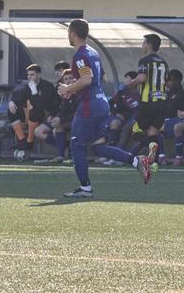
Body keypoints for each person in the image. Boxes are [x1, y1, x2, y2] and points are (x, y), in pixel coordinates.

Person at [58, 19, 157, 198]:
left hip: (89, 106)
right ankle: (137, 161)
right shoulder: (94, 52)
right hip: (101, 102)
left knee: (76, 144)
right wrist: (75, 89)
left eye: (68, 34)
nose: (68, 37)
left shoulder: (80, 55)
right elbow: (99, 79)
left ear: (72, 33)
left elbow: (87, 80)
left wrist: (67, 89)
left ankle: (85, 188)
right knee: (98, 146)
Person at [130, 34, 171, 162]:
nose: (142, 45)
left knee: (136, 131)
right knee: (152, 132)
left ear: (149, 44)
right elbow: (167, 82)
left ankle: (151, 148)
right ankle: (154, 162)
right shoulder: (164, 62)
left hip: (147, 102)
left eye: (144, 42)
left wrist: (131, 83)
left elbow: (142, 78)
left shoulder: (144, 61)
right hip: (162, 102)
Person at [9, 64, 58, 160]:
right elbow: (19, 96)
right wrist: (11, 102)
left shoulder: (47, 86)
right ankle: (22, 141)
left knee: (36, 111)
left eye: (32, 75)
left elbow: (41, 105)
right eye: (28, 75)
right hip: (29, 117)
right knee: (12, 110)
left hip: (45, 116)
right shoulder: (29, 86)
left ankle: (29, 141)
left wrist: (34, 92)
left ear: (38, 75)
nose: (29, 77)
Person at [33, 62, 74, 164]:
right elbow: (57, 106)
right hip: (61, 117)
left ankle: (70, 154)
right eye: (58, 71)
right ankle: (63, 150)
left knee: (58, 128)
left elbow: (75, 111)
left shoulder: (78, 90)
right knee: (38, 131)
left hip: (76, 119)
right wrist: (52, 115)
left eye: (70, 78)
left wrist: (60, 118)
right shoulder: (58, 89)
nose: (68, 81)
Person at [107, 71, 141, 153]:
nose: (125, 81)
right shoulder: (121, 92)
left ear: (134, 80)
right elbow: (110, 103)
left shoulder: (137, 93)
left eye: (127, 78)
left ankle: (118, 152)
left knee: (126, 126)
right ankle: (110, 152)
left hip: (132, 118)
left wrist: (123, 113)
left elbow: (133, 110)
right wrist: (116, 113)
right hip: (120, 117)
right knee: (114, 122)